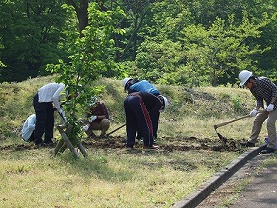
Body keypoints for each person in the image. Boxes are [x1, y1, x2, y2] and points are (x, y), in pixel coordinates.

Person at [238, 70, 277, 154]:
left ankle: (271, 147)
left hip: (275, 104)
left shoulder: (264, 81)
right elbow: (259, 99)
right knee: (257, 120)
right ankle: (251, 142)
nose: (246, 86)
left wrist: (272, 104)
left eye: (246, 84)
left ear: (250, 80)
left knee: (270, 122)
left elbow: (275, 91)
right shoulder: (253, 89)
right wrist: (256, 109)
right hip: (269, 106)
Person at [33, 82, 66, 147]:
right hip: (40, 99)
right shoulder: (63, 87)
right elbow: (55, 98)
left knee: (50, 120)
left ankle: (48, 140)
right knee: (41, 121)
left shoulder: (66, 93)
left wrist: (65, 118)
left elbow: (61, 104)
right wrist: (59, 109)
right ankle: (38, 141)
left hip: (47, 101)